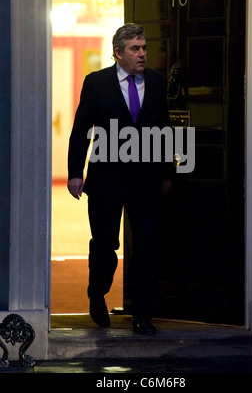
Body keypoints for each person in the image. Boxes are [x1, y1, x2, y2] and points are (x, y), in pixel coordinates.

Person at [67, 23, 174, 335]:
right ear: (118, 53)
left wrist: (167, 171)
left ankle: (142, 314)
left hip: (146, 180)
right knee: (104, 244)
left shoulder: (155, 81)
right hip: (106, 180)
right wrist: (75, 173)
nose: (142, 54)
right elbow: (80, 130)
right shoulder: (96, 83)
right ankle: (97, 293)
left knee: (146, 246)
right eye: (135, 49)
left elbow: (164, 128)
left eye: (143, 48)